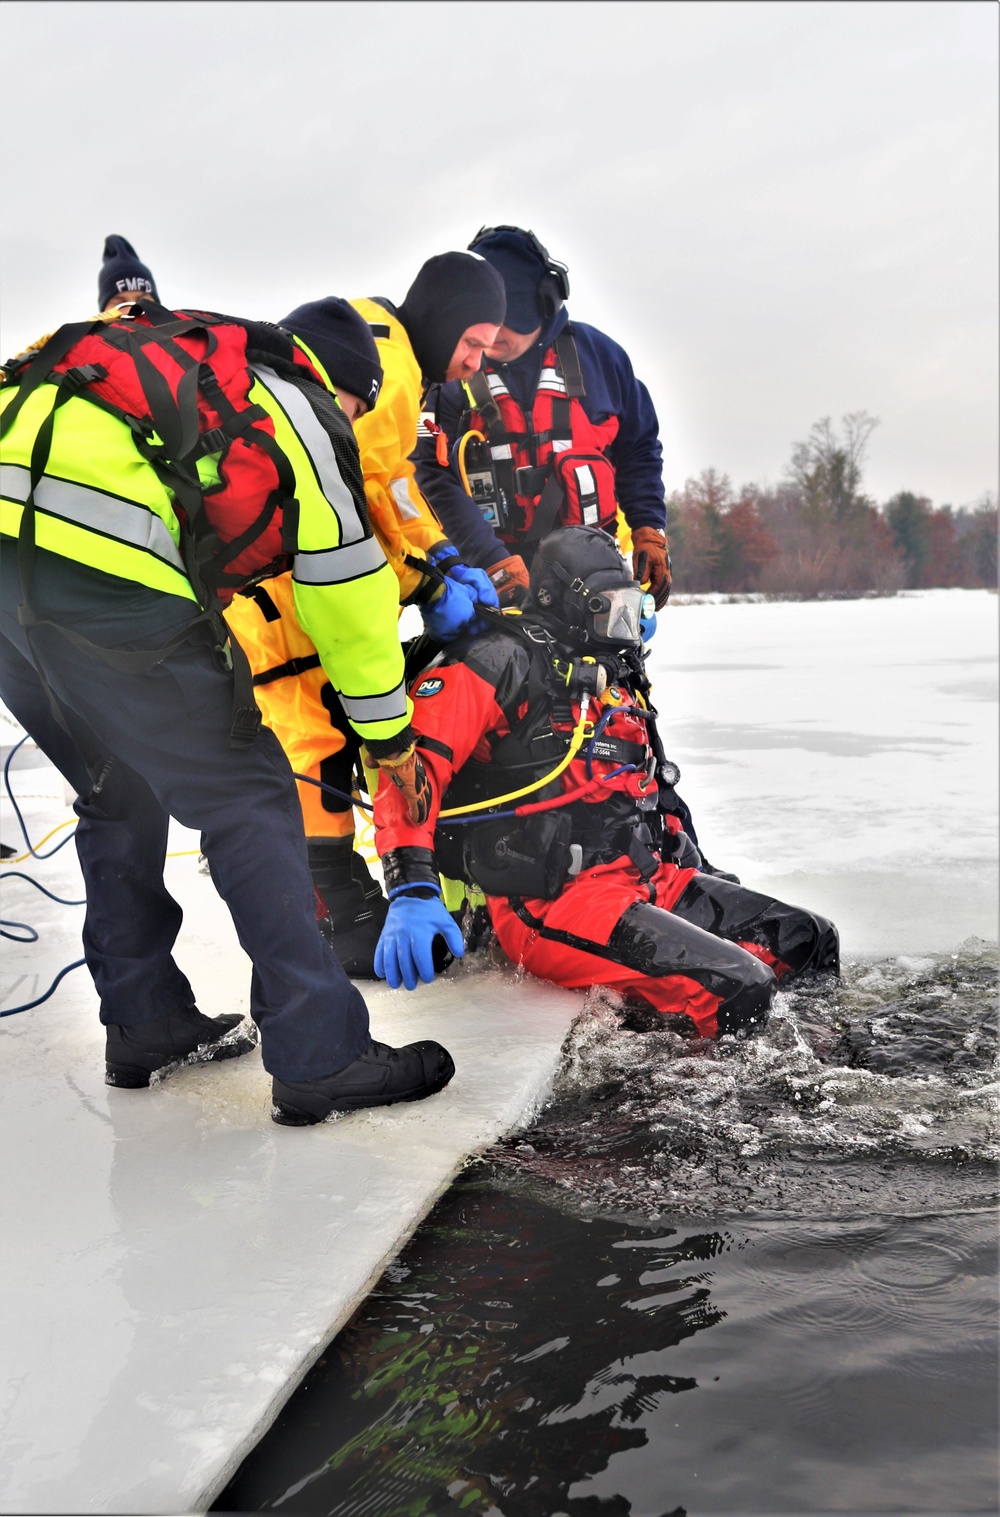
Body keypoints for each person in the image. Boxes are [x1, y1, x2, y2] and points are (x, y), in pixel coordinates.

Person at [0, 296, 454, 1125]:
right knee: (247, 790)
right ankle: (322, 1054)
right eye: (361, 407)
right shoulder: (301, 409)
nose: (355, 423)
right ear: (346, 387)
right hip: (98, 571)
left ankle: (145, 1022)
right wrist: (389, 739)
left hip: (6, 569)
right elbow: (349, 594)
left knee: (118, 785)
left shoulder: (173, 366)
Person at [369, 527, 839, 1039]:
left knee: (806, 937)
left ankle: (814, 1054)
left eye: (631, 609)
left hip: (645, 877)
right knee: (735, 985)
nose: (624, 625)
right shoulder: (496, 662)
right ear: (567, 602)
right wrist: (410, 885)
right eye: (610, 608)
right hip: (553, 899)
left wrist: (693, 860)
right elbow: (410, 775)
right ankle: (716, 1096)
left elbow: (651, 777)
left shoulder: (613, 672)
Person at [225, 253, 508, 975]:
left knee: (330, 722)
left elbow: (394, 482)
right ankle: (329, 899)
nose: (475, 362)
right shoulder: (386, 356)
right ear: (444, 316)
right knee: (312, 729)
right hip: (288, 587)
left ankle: (334, 882)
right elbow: (345, 492)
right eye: (474, 342)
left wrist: (441, 554)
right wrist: (422, 581)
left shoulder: (398, 358)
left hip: (302, 580)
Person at [414, 226, 672, 612]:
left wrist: (649, 528)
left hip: (596, 581)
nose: (493, 336)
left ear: (544, 303)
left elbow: (640, 449)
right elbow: (430, 474)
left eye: (508, 318)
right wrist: (491, 560)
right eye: (485, 320)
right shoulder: (451, 371)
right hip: (488, 582)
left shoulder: (603, 358)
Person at [98, 234, 160, 313]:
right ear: (104, 311)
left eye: (144, 302)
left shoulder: (179, 323)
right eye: (121, 303)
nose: (132, 310)